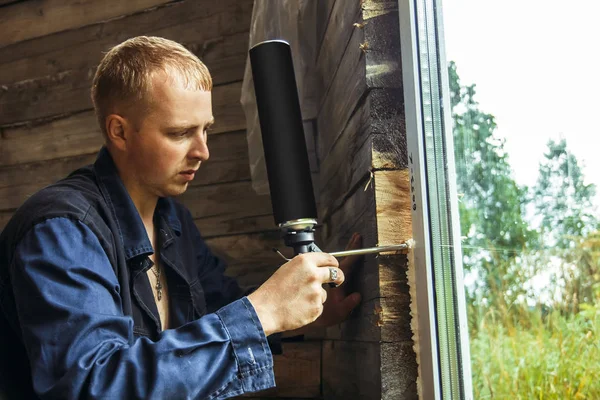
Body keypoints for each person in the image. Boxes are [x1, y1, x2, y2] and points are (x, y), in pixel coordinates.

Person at [0, 36, 363, 399]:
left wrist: (306, 310)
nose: (203, 151)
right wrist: (263, 313)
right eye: (180, 133)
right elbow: (93, 386)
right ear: (120, 131)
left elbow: (222, 311)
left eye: (206, 129)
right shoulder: (62, 231)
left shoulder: (173, 221)